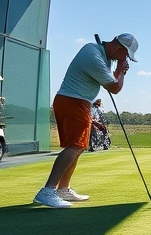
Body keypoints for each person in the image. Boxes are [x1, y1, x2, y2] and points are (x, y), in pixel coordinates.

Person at [34, 33, 138, 208]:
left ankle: (63, 189)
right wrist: (121, 69)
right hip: (72, 100)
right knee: (75, 146)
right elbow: (115, 87)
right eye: (125, 55)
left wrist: (117, 68)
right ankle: (48, 191)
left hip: (79, 102)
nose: (125, 58)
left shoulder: (100, 54)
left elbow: (111, 81)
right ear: (119, 48)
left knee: (79, 147)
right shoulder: (93, 54)